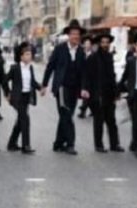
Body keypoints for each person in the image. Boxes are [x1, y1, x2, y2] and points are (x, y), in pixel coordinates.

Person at [42, 20, 84, 155]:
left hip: (74, 89)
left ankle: (58, 143)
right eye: (73, 33)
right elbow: (50, 66)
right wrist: (44, 85)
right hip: (61, 87)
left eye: (77, 34)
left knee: (66, 115)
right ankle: (70, 144)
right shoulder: (60, 49)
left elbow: (84, 72)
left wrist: (84, 88)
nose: (75, 36)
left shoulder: (81, 51)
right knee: (66, 114)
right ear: (68, 35)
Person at [83, 33, 122, 153]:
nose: (105, 44)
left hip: (109, 94)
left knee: (111, 121)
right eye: (103, 42)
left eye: (107, 42)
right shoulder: (93, 57)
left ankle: (114, 144)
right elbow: (86, 76)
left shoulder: (109, 57)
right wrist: (87, 90)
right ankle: (98, 145)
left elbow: (112, 76)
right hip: (97, 95)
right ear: (99, 44)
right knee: (99, 121)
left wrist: (116, 92)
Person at [6, 42, 44, 154]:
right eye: (27, 54)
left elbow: (32, 82)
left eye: (30, 54)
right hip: (18, 98)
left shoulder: (30, 68)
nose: (29, 56)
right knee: (25, 120)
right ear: (21, 57)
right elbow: (4, 81)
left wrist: (40, 88)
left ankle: (11, 144)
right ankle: (26, 146)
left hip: (26, 97)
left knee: (20, 121)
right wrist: (8, 93)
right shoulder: (15, 68)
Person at [76, 35, 93, 119]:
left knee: (87, 95)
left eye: (89, 44)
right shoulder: (81, 54)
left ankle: (83, 111)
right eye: (86, 43)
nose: (87, 45)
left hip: (91, 78)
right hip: (83, 77)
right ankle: (91, 110)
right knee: (85, 94)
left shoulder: (94, 55)